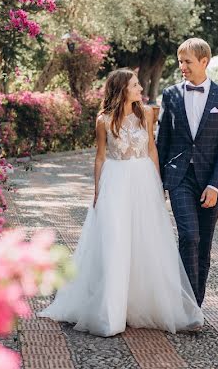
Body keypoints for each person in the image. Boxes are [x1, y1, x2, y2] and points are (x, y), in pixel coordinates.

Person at [39, 68, 204, 337]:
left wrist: (158, 185)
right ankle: (111, 312)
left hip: (143, 179)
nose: (140, 88)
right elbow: (100, 157)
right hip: (115, 181)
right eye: (136, 85)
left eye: (139, 84)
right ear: (122, 89)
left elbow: (152, 148)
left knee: (146, 241)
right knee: (116, 242)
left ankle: (144, 304)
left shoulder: (147, 114)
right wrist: (97, 190)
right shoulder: (103, 120)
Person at [156, 38, 218, 306]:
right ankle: (187, 304)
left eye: (187, 61)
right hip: (179, 178)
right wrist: (157, 184)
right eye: (180, 61)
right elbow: (162, 142)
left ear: (204, 62)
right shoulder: (170, 95)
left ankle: (196, 305)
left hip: (209, 181)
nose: (182, 66)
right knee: (188, 236)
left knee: (203, 245)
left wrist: (215, 185)